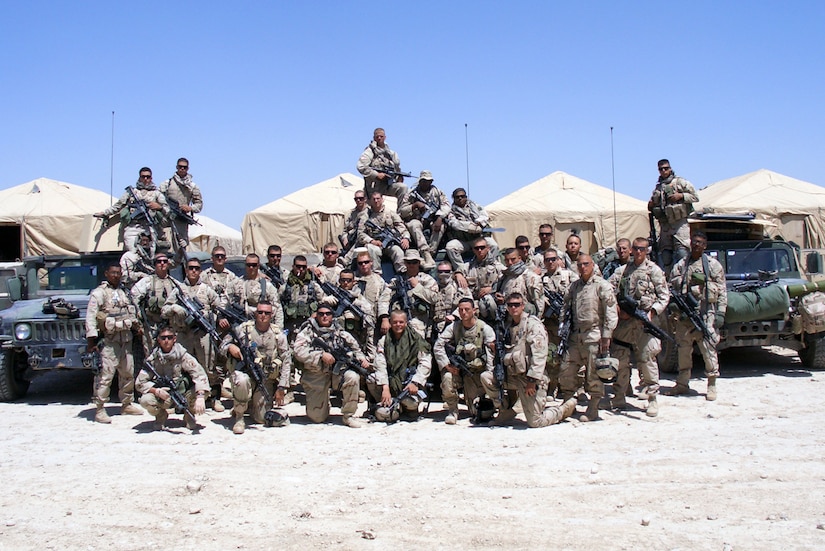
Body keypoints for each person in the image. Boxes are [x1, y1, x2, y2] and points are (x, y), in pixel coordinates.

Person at [488, 293, 578, 428]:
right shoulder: (508, 326)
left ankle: (563, 409)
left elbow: (540, 355)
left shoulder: (532, 324)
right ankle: (506, 410)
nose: (513, 308)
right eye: (510, 305)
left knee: (535, 422)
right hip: (513, 375)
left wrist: (532, 381)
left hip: (530, 378)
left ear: (523, 306)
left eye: (517, 305)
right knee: (486, 377)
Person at [608, 237, 670, 417]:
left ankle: (652, 399)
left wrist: (652, 312)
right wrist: (618, 309)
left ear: (647, 250)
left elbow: (664, 296)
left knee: (647, 358)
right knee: (620, 359)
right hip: (625, 323)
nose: (638, 252)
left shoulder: (654, 271)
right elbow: (609, 289)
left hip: (644, 322)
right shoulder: (623, 271)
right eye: (636, 248)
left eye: (642, 249)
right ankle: (619, 396)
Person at [666, 231, 726, 400]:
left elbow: (722, 291)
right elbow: (671, 285)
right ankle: (682, 383)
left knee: (708, 349)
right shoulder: (681, 264)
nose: (696, 245)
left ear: (705, 246)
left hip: (705, 313)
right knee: (683, 349)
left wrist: (720, 312)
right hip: (685, 315)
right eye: (694, 242)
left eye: (700, 242)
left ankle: (712, 383)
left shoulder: (713, 266)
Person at [558, 254, 618, 422]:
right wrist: (563, 325)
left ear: (592, 265)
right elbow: (566, 306)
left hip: (594, 334)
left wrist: (607, 335)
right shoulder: (574, 286)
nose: (583, 267)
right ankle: (568, 402)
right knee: (566, 369)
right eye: (580, 264)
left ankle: (593, 407)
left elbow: (611, 311)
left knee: (593, 373)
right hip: (575, 335)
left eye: (586, 264)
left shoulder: (602, 285)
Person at [161, 257, 225, 412]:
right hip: (184, 334)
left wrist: (211, 315)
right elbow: (164, 311)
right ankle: (184, 399)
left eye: (196, 268)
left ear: (200, 271)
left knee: (208, 366)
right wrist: (175, 308)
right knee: (182, 368)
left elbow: (221, 306)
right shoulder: (178, 290)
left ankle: (212, 398)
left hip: (202, 333)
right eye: (190, 268)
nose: (193, 271)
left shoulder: (206, 289)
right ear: (186, 270)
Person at [292, 305, 371, 428]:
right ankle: (323, 404)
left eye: (328, 314)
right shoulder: (307, 332)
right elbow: (298, 351)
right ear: (316, 315)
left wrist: (361, 358)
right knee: (317, 418)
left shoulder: (340, 332)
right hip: (317, 375)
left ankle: (348, 416)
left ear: (332, 316)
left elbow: (356, 348)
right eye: (321, 314)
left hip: (337, 374)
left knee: (352, 377)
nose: (324, 316)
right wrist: (320, 355)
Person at [221, 300, 292, 434]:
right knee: (241, 380)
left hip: (265, 380)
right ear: (255, 313)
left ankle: (247, 405)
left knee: (261, 419)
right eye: (260, 312)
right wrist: (231, 347)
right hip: (247, 375)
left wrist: (282, 387)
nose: (263, 315)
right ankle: (239, 417)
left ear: (272, 315)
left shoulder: (279, 335)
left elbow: (287, 360)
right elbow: (222, 345)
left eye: (267, 313)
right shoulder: (243, 329)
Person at [85, 263, 144, 423]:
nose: (116, 275)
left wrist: (137, 326)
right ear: (106, 274)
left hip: (125, 338)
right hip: (109, 340)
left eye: (118, 273)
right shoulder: (99, 293)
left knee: (127, 372)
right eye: (113, 273)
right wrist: (91, 339)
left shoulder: (125, 292)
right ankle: (100, 408)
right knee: (106, 375)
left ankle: (127, 403)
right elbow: (91, 317)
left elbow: (133, 311)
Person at [433, 297, 497, 424]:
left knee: (476, 411)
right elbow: (438, 346)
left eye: (467, 309)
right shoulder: (454, 327)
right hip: (460, 370)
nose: (463, 312)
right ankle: (452, 411)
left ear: (474, 310)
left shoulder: (485, 329)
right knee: (447, 377)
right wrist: (447, 365)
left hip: (477, 372)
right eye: (460, 310)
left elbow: (491, 354)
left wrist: (490, 374)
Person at [137, 327, 209, 431]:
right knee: (145, 400)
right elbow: (140, 382)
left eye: (169, 338)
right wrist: (156, 391)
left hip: (183, 394)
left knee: (202, 391)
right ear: (159, 340)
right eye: (163, 338)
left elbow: (199, 374)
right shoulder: (153, 359)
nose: (166, 340)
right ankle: (161, 416)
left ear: (174, 339)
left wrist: (201, 396)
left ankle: (189, 415)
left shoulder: (182, 355)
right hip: (164, 396)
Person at [368, 310, 432, 422]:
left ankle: (407, 409)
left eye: (401, 322)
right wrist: (385, 387)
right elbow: (380, 364)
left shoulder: (416, 340)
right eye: (395, 322)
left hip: (409, 383)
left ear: (406, 323)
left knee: (411, 403)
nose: (398, 325)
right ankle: (389, 403)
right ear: (390, 323)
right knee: (371, 379)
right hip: (391, 381)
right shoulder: (384, 341)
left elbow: (425, 363)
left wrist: (415, 382)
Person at [94, 167, 167, 253]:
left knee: (151, 253)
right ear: (139, 177)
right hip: (133, 227)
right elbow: (118, 205)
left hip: (149, 227)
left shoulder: (156, 193)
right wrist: (105, 213)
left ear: (151, 178)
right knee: (133, 253)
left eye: (148, 177)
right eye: (143, 177)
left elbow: (167, 209)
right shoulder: (132, 192)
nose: (145, 179)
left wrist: (159, 207)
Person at [648, 159, 699, 273]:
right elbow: (653, 205)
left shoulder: (680, 182)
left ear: (670, 168)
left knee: (682, 253)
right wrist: (651, 204)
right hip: (665, 225)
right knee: (665, 255)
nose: (663, 171)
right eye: (661, 169)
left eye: (666, 168)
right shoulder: (658, 187)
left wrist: (681, 196)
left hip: (679, 223)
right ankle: (669, 279)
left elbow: (695, 197)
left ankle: (685, 276)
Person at [542, 250, 579, 396]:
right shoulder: (541, 279)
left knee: (573, 356)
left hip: (569, 321)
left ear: (558, 260)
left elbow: (579, 292)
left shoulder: (569, 275)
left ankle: (577, 387)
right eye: (547, 259)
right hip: (552, 324)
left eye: (553, 259)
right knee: (552, 355)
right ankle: (553, 386)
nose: (550, 262)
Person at [319, 268, 377, 360]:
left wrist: (371, 355)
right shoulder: (331, 295)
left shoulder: (360, 300)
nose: (346, 283)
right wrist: (324, 301)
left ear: (354, 282)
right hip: (332, 343)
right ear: (339, 281)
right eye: (343, 280)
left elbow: (370, 328)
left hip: (354, 345)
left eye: (349, 280)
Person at [397, 170, 449, 269]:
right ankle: (425, 253)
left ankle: (430, 254)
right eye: (423, 181)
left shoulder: (437, 192)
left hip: (433, 219)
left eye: (428, 181)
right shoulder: (412, 193)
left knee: (441, 226)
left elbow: (446, 206)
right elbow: (401, 211)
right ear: (420, 181)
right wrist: (414, 205)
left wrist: (439, 217)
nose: (426, 183)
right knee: (414, 224)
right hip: (418, 220)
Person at [131, 252, 180, 355]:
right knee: (151, 354)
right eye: (159, 262)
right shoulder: (147, 281)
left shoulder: (175, 283)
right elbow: (133, 297)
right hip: (151, 326)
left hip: (170, 325)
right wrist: (138, 320)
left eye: (165, 261)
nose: (162, 264)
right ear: (155, 264)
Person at [160, 157, 203, 261]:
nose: (182, 169)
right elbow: (158, 197)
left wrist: (190, 208)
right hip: (166, 215)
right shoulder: (167, 183)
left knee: (181, 247)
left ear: (188, 168)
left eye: (184, 167)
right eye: (180, 167)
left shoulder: (192, 186)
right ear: (176, 167)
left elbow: (199, 205)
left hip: (180, 218)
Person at [388, 249, 438, 338]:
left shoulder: (427, 279)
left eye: (414, 262)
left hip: (419, 320)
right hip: (398, 320)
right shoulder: (397, 280)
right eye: (408, 262)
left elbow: (434, 298)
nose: (411, 265)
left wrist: (417, 286)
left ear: (419, 263)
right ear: (405, 263)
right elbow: (385, 297)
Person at [444, 188, 499, 269]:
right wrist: (470, 226)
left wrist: (478, 221)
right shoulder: (451, 211)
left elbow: (485, 216)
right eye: (457, 197)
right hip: (463, 241)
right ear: (453, 198)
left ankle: (488, 266)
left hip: (478, 238)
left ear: (466, 197)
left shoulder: (475, 206)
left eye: (462, 196)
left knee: (493, 245)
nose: (460, 198)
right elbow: (455, 224)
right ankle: (461, 270)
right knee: (450, 247)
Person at [360, 191, 410, 275]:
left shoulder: (390, 213)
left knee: (398, 251)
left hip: (389, 244)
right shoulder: (365, 215)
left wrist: (405, 238)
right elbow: (360, 233)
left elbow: (401, 227)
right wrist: (372, 241)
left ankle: (402, 275)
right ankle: (377, 275)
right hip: (374, 244)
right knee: (373, 250)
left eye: (378, 199)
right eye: (374, 199)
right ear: (370, 201)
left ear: (382, 200)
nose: (376, 201)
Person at [280, 254, 325, 340]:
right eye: (298, 266)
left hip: (308, 324)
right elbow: (278, 304)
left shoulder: (313, 285)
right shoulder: (286, 286)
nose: (301, 269)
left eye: (304, 267)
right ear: (293, 266)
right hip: (291, 325)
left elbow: (322, 302)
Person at [357, 127, 408, 201]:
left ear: (385, 137)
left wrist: (398, 177)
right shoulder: (369, 152)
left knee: (403, 187)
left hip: (388, 185)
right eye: (377, 137)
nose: (379, 138)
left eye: (381, 136)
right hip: (373, 187)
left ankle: (402, 211)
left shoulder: (391, 153)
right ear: (374, 138)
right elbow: (361, 166)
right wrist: (377, 175)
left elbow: (396, 169)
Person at [234, 253, 284, 329]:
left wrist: (279, 329)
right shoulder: (237, 284)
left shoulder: (267, 285)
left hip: (264, 327)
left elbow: (278, 308)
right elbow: (228, 303)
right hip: (243, 326)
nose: (251, 267)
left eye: (254, 265)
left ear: (258, 266)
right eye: (248, 265)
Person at [454, 237, 504, 311]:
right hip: (474, 303)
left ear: (488, 248)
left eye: (482, 247)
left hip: (493, 302)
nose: (479, 250)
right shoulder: (468, 267)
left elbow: (504, 279)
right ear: (473, 250)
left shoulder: (497, 266)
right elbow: (455, 272)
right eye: (477, 248)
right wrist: (458, 274)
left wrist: (491, 289)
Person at [493, 247, 545, 318]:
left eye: (513, 259)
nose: (510, 263)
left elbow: (539, 304)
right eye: (507, 260)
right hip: (506, 316)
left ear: (519, 258)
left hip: (525, 317)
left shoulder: (530, 276)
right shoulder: (503, 277)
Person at [340, 191, 370, 268]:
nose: (358, 200)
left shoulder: (370, 212)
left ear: (365, 199)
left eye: (361, 198)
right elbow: (345, 230)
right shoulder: (351, 213)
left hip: (364, 239)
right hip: (351, 239)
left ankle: (346, 260)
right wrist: (344, 238)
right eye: (356, 199)